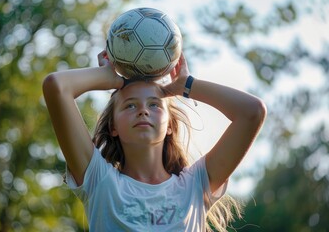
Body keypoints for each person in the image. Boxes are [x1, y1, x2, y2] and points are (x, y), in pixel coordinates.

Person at [42, 50, 266, 231]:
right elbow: (56, 86)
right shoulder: (98, 181)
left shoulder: (196, 185)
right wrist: (108, 77)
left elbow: (253, 112)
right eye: (130, 105)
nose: (143, 111)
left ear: (169, 125)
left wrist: (187, 85)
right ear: (113, 127)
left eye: (154, 104)